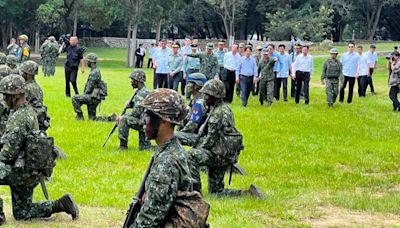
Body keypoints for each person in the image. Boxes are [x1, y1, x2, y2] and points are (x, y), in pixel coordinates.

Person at [0, 74, 79, 225]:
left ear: (15, 96)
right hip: (32, 171)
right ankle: (61, 204)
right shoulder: (28, 112)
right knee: (23, 213)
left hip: (23, 171)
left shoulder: (19, 118)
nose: (4, 99)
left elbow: (7, 155)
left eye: (6, 96)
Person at [187, 79, 264, 198]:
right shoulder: (223, 109)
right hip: (224, 153)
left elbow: (209, 142)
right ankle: (248, 194)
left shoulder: (217, 114)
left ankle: (195, 193)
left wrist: (196, 148)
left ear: (215, 96)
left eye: (207, 95)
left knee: (191, 155)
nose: (204, 97)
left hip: (218, 155)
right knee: (216, 192)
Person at [132, 88, 196, 227]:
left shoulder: (167, 162)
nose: (143, 122)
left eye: (148, 116)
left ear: (163, 121)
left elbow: (149, 219)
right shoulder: (170, 149)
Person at [72, 53, 115, 121]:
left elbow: (88, 89)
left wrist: (82, 96)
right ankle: (111, 118)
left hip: (93, 98)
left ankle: (80, 117)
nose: (87, 63)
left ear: (90, 62)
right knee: (92, 119)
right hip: (95, 97)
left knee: (75, 98)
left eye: (87, 61)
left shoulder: (94, 73)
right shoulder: (95, 70)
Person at [116, 70, 152, 151]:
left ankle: (123, 147)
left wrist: (122, 117)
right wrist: (131, 104)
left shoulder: (142, 93)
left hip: (144, 122)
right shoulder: (141, 91)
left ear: (137, 81)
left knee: (124, 120)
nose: (131, 82)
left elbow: (136, 112)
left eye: (132, 80)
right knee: (144, 148)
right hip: (146, 120)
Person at [175, 73, 208, 146]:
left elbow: (192, 124)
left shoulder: (200, 103)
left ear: (197, 85)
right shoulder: (194, 100)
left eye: (190, 83)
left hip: (201, 137)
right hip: (198, 134)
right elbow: (186, 117)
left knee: (173, 136)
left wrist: (181, 132)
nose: (187, 85)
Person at [19, 60, 51, 131]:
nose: (21, 74)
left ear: (28, 74)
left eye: (23, 73)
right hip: (39, 117)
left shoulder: (26, 88)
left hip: (32, 117)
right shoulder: (36, 86)